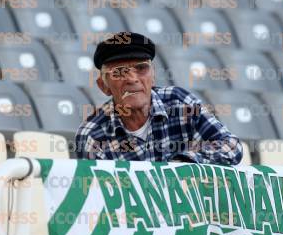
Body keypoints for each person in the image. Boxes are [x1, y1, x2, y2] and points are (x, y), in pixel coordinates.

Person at [75, 32, 243, 165]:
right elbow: (99, 198)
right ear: (103, 86)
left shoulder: (180, 103)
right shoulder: (92, 136)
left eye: (141, 68)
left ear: (153, 76)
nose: (132, 79)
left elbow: (232, 146)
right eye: (119, 72)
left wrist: (184, 162)